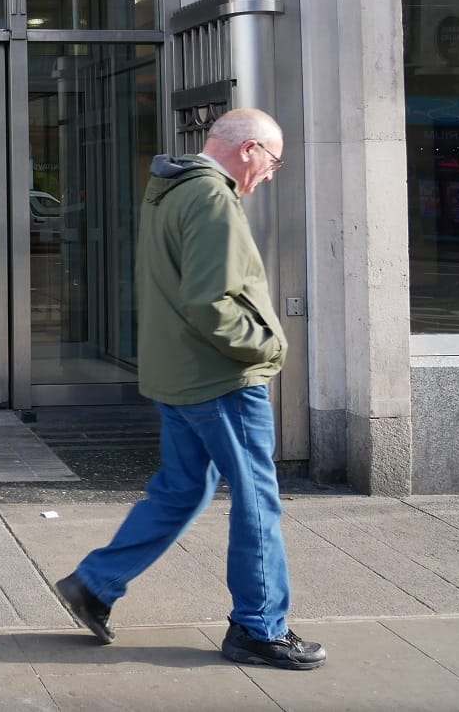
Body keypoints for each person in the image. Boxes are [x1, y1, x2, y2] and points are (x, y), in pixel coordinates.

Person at [52, 108, 325, 671]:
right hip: (219, 378)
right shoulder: (211, 198)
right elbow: (211, 302)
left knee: (182, 492)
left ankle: (94, 584)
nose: (270, 175)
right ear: (249, 149)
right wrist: (269, 348)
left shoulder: (171, 190)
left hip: (180, 376)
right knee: (257, 500)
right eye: (272, 162)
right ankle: (259, 626)